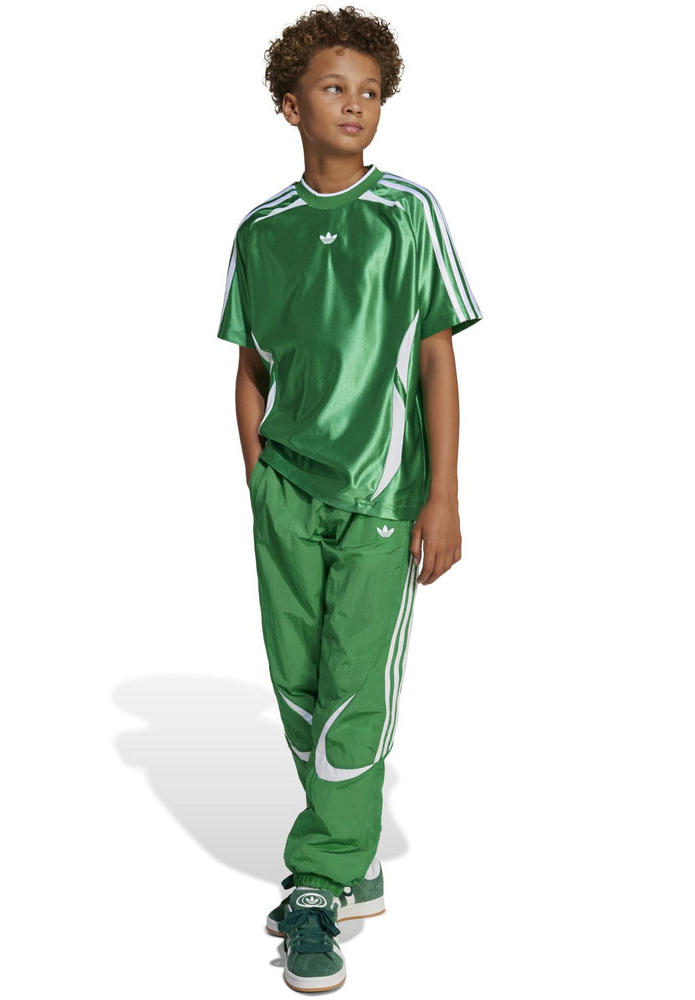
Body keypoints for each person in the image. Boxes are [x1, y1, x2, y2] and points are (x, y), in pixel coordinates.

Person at [216, 6, 482, 992]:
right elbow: (250, 368)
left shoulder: (407, 214)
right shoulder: (261, 230)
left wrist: (443, 495)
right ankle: (351, 858)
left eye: (370, 91)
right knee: (298, 684)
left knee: (353, 689)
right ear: (291, 104)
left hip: (380, 495)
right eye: (334, 88)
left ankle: (318, 883)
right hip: (285, 494)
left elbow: (437, 357)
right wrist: (258, 478)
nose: (355, 104)